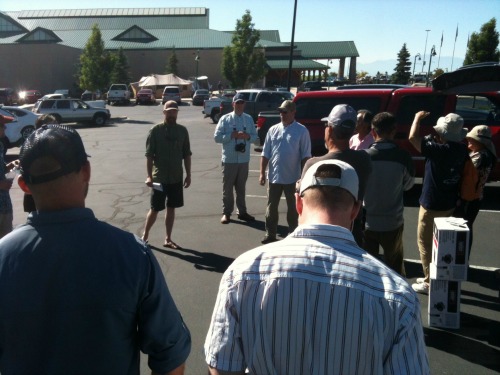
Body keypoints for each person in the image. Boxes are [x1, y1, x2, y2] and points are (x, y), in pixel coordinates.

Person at [205, 160, 429, 375]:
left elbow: (222, 364)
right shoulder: (397, 295)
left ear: (298, 203)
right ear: (355, 211)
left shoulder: (243, 273)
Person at [0, 124, 191, 374]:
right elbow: (171, 357)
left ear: (23, 185)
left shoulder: (3, 257)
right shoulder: (132, 255)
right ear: (86, 171)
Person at [409, 111, 468, 294]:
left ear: (442, 133)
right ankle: (437, 275)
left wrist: (417, 118)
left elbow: (412, 138)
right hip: (449, 202)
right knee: (441, 242)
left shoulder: (437, 149)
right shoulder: (461, 150)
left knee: (425, 243)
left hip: (431, 202)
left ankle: (429, 281)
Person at [302, 104, 372, 246]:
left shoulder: (312, 165)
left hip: (317, 236)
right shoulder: (364, 160)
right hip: (352, 233)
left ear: (330, 130)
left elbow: (302, 203)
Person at [363, 112, 415, 276]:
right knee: (395, 268)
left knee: (368, 269)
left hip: (367, 222)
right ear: (393, 131)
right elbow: (408, 185)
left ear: (373, 132)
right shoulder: (403, 157)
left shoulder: (363, 157)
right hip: (393, 222)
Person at [142, 100, 192, 249]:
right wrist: (149, 176)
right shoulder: (155, 131)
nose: (171, 114)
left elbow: (187, 154)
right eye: (169, 111)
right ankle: (144, 236)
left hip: (176, 177)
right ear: (164, 112)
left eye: (174, 111)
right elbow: (149, 155)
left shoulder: (182, 131)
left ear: (177, 112)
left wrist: (188, 175)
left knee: (172, 207)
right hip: (159, 178)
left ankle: (168, 238)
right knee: (155, 208)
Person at [259, 99, 311, 244]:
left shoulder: (301, 131)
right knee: (271, 207)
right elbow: (265, 153)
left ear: (293, 112)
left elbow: (306, 156)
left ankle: (293, 234)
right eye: (280, 112)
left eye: (285, 112)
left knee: (293, 209)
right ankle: (270, 234)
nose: (282, 114)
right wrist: (262, 173)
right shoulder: (273, 129)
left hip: (293, 178)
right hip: (274, 177)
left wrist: (303, 177)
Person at [454, 125, 497, 257]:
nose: (468, 142)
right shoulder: (487, 154)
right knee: (467, 226)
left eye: (472, 140)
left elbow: (466, 174)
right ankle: (463, 258)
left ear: (480, 142)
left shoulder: (480, 157)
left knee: (463, 228)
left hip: (469, 198)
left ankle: (461, 258)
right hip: (476, 197)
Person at [214, 97, 257, 224]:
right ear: (233, 104)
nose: (239, 105)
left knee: (241, 188)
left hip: (243, 159)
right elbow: (217, 138)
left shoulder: (248, 119)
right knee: (227, 188)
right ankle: (226, 213)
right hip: (229, 159)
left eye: (241, 103)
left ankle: (242, 212)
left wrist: (247, 136)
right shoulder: (225, 119)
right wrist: (231, 136)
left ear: (244, 105)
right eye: (237, 103)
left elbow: (255, 138)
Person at [23, 114, 60, 213]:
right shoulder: (32, 145)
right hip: (38, 197)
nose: (57, 128)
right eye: (53, 125)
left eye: (56, 124)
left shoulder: (56, 142)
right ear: (42, 128)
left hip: (54, 195)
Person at [0, 115, 17, 238]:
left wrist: (9, 166)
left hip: (4, 206)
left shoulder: (0, 146)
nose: (5, 127)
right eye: (2, 125)